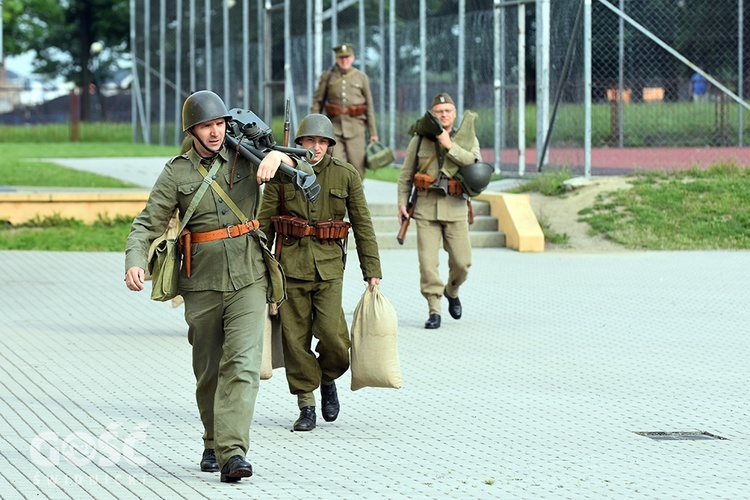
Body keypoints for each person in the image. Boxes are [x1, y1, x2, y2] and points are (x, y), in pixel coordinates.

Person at [125, 90, 306, 483]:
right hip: (201, 282)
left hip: (249, 276)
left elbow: (303, 172)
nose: (215, 132)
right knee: (209, 371)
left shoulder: (248, 153)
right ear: (191, 130)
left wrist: (280, 156)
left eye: (220, 124)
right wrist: (135, 261)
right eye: (206, 126)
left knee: (241, 365)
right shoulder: (176, 172)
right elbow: (147, 222)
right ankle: (212, 440)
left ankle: (233, 452)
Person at [257, 113, 382, 432]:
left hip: (328, 268)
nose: (316, 147)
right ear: (298, 143)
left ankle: (327, 377)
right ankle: (306, 403)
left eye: (322, 141)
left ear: (330, 144)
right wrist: (260, 269)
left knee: (335, 338)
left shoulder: (346, 175)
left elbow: (362, 223)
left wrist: (372, 270)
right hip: (290, 268)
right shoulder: (282, 175)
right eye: (309, 141)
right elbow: (265, 223)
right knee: (294, 339)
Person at [397, 93, 481, 330]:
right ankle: (434, 309)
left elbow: (476, 164)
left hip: (455, 208)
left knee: (462, 263)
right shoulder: (420, 139)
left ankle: (451, 291)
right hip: (425, 208)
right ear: (432, 114)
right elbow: (405, 175)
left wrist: (450, 146)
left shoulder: (467, 137)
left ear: (454, 113)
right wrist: (402, 203)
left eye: (448, 111)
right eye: (439, 111)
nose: (443, 115)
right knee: (427, 264)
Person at [311, 42, 378, 180]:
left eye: (347, 57)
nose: (344, 60)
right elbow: (318, 102)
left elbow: (369, 105)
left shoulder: (361, 77)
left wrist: (373, 133)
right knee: (334, 164)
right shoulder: (328, 76)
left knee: (357, 166)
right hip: (334, 128)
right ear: (336, 58)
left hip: (356, 127)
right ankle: (337, 197)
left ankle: (356, 198)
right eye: (341, 57)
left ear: (352, 58)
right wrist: (314, 128)